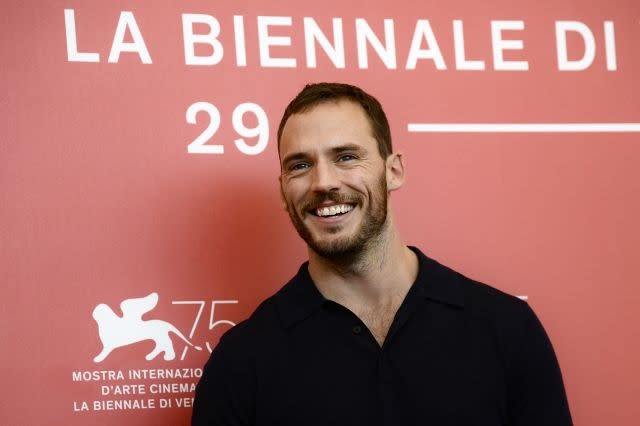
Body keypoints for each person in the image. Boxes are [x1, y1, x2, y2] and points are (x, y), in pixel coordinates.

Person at [192, 82, 573, 426]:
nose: (323, 182)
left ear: (394, 171)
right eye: (301, 165)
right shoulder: (242, 361)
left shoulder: (505, 327)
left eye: (346, 157)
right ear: (282, 191)